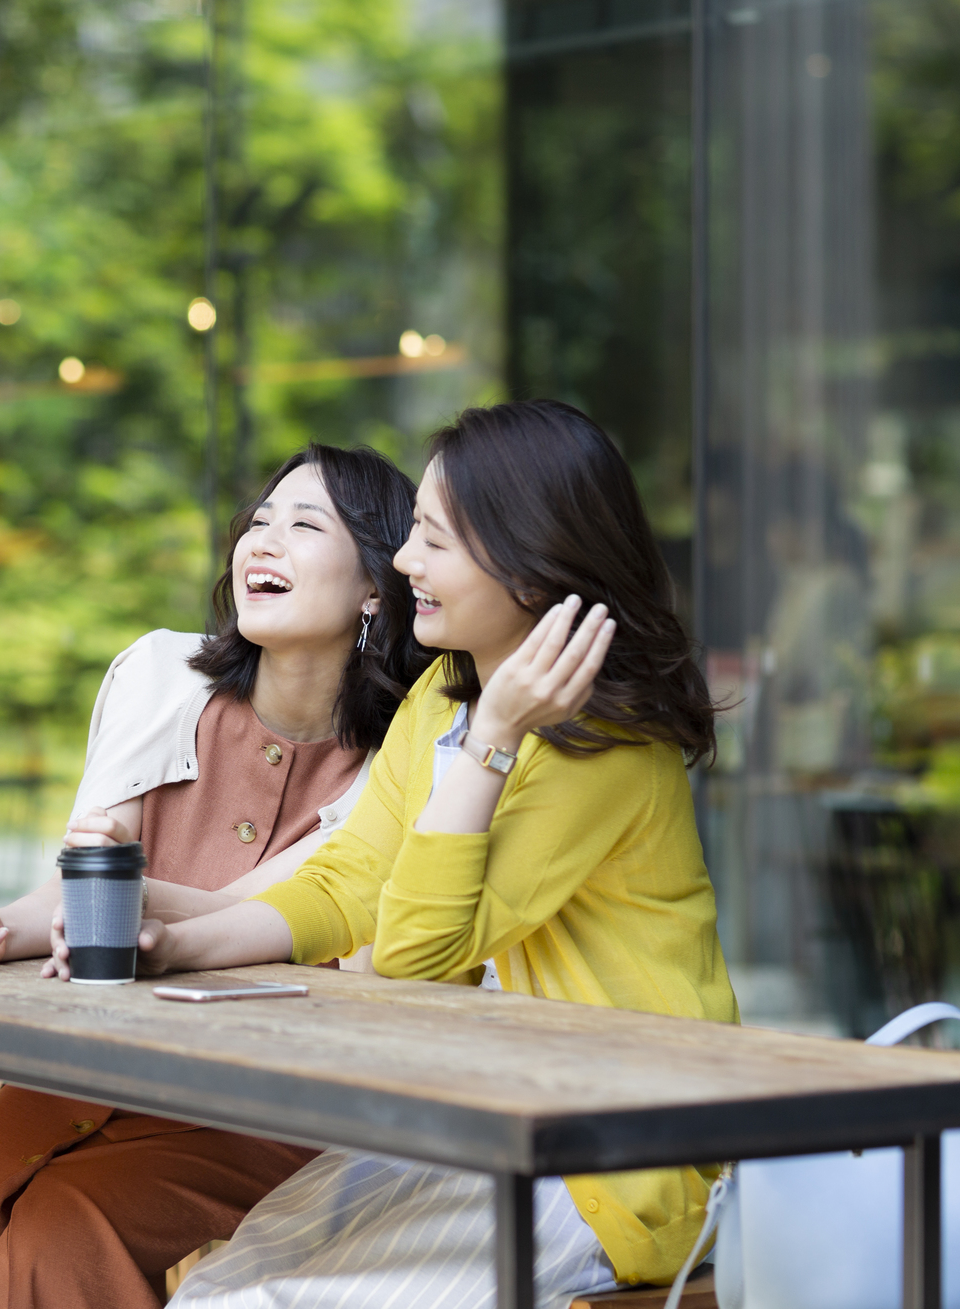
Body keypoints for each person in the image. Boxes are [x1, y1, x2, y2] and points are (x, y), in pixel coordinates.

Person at [141, 399, 737, 1309]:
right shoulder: (440, 703)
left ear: (527, 558)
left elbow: (416, 955)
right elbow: (347, 884)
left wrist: (494, 740)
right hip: (474, 1122)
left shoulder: (605, 742)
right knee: (227, 1284)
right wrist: (183, 943)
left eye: (434, 540)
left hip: (608, 1163)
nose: (407, 561)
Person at [0, 443, 434, 1309]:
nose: (264, 540)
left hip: (268, 1101)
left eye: (303, 524)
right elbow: (87, 888)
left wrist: (106, 907)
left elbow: (236, 916)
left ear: (376, 586)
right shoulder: (161, 680)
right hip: (93, 1068)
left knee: (60, 1238)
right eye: (258, 521)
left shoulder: (399, 763)